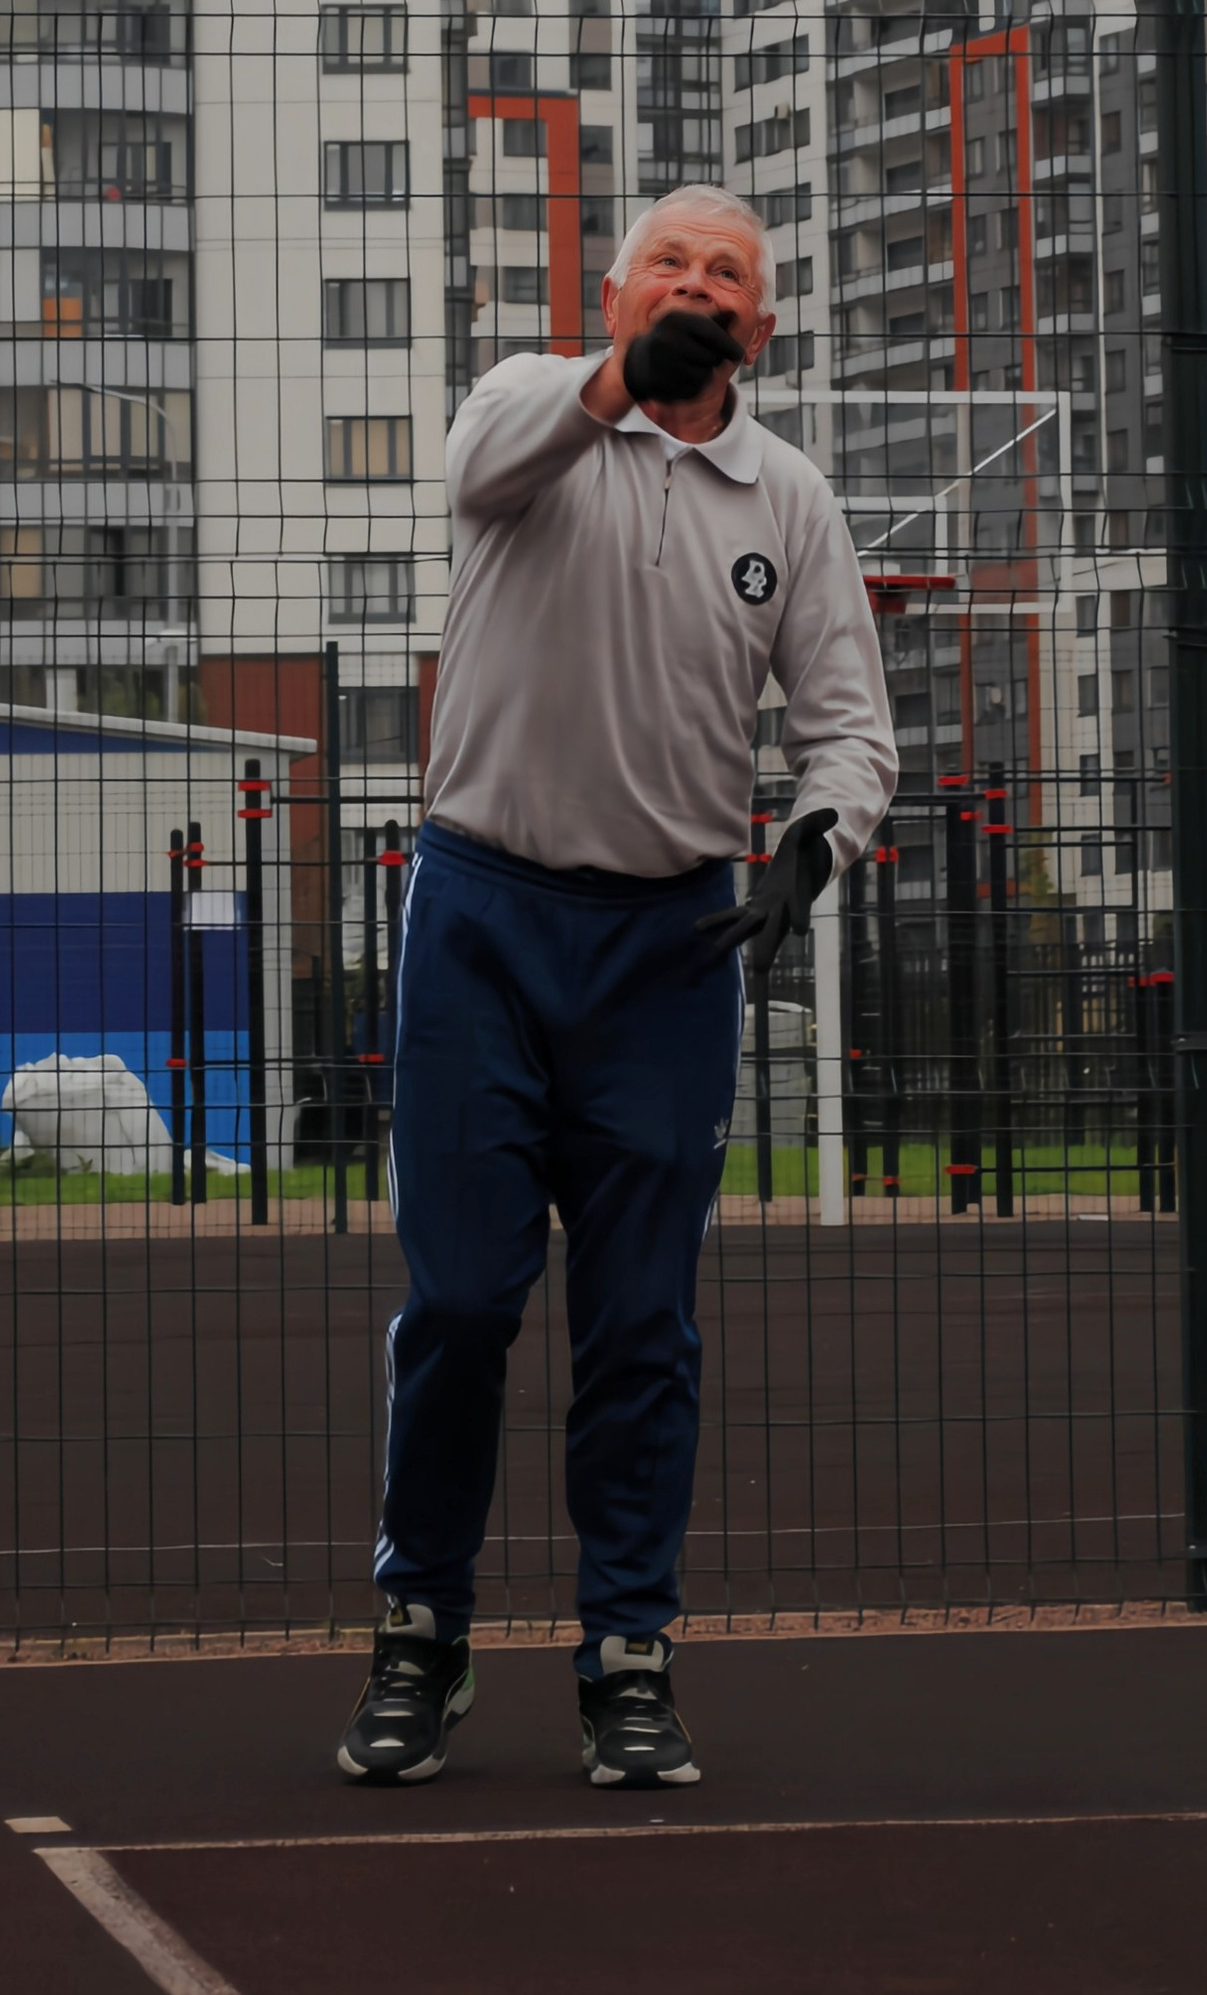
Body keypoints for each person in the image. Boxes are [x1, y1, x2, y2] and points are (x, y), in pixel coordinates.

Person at [338, 185, 897, 1790]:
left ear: (764, 326)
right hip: (482, 918)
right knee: (457, 1302)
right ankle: (419, 1637)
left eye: (730, 273)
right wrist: (613, 381)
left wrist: (812, 840)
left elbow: (848, 725)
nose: (699, 283)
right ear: (621, 287)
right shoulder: (528, 409)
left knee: (641, 1323)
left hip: (670, 944)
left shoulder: (784, 496)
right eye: (674, 261)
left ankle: (628, 1656)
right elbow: (479, 463)